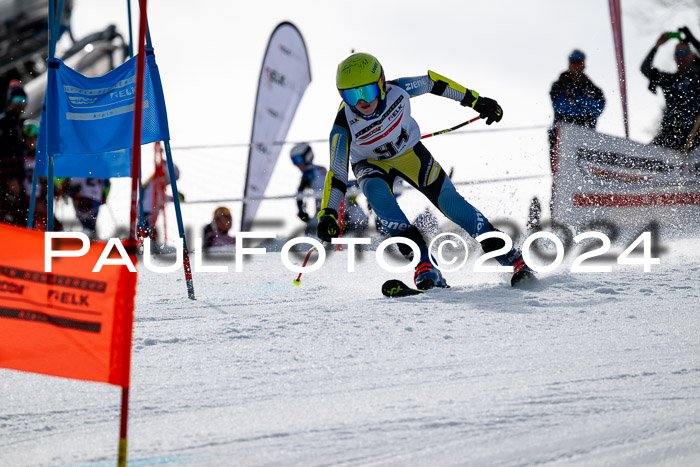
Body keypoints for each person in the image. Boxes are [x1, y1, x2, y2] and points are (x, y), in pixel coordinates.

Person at [316, 52, 534, 289]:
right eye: (350, 95)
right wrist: (327, 213)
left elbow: (433, 83)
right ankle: (424, 265)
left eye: (366, 91)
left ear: (381, 84)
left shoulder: (398, 90)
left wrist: (475, 100)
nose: (361, 102)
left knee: (455, 207)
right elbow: (337, 175)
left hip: (410, 154)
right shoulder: (342, 125)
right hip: (370, 166)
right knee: (381, 202)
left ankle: (513, 259)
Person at [641, 29, 700, 152]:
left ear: (691, 55)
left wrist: (693, 40)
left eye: (684, 52)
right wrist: (657, 45)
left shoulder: (697, 77)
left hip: (696, 133)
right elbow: (645, 68)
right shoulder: (669, 79)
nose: (681, 56)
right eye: (678, 54)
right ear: (674, 58)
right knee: (646, 155)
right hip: (672, 134)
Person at [548, 50, 606, 171]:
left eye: (579, 63)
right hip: (561, 136)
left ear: (584, 64)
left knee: (584, 173)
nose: (577, 67)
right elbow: (561, 106)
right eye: (574, 63)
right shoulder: (559, 85)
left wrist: (577, 100)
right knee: (560, 174)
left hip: (586, 135)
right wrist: (585, 108)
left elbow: (598, 108)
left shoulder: (592, 88)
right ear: (569, 65)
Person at [0, 80, 28, 225]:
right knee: (10, 220)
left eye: (24, 99)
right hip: (7, 179)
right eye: (17, 99)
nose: (21, 103)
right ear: (10, 100)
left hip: (17, 178)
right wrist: (11, 178)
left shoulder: (18, 123)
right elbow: (3, 151)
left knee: (19, 219)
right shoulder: (5, 122)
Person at [290, 142, 327, 236]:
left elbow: (300, 193)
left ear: (307, 156)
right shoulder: (322, 169)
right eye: (294, 160)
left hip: (326, 212)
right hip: (339, 210)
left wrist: (301, 212)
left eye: (298, 159)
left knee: (310, 232)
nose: (297, 164)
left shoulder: (309, 172)